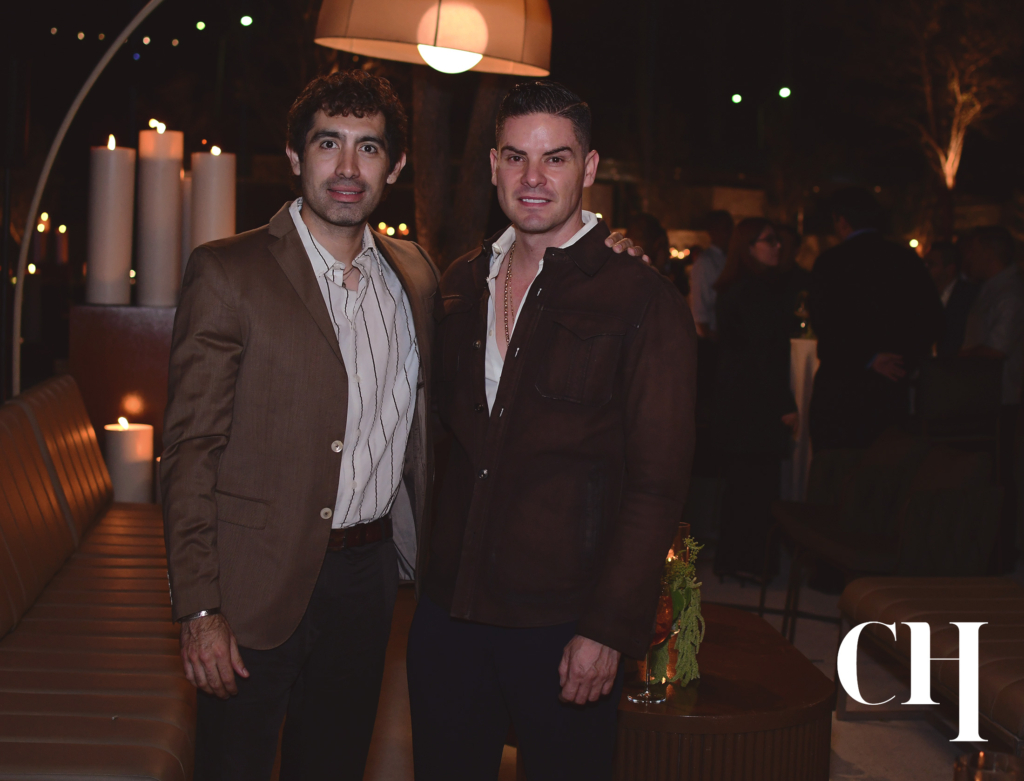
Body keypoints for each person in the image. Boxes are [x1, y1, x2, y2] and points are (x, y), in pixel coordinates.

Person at [407, 81, 697, 781]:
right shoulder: (461, 283)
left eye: (555, 158)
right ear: (493, 165)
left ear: (588, 167)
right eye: (516, 157)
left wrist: (608, 628)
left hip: (566, 624)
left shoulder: (641, 298)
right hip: (449, 614)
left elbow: (658, 483)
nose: (533, 178)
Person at [808, 187, 943, 451]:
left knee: (837, 466)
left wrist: (867, 358)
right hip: (890, 387)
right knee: (885, 464)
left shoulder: (831, 262)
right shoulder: (905, 259)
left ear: (841, 221)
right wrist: (903, 359)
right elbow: (932, 319)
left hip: (842, 387)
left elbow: (824, 323)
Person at [709, 218, 798, 579]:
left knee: (742, 484)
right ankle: (751, 564)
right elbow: (765, 354)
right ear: (748, 247)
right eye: (769, 240)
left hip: (737, 397)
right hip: (754, 401)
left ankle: (736, 562)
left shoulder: (736, 287)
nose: (777, 246)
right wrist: (785, 405)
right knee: (757, 485)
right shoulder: (755, 291)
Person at [960, 226, 1024, 569]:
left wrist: (957, 359)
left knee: (998, 475)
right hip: (983, 396)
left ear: (989, 252)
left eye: (972, 250)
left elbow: (997, 349)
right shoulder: (992, 288)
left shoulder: (1009, 292)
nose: (967, 258)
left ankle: (999, 553)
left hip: (999, 398)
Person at [923, 240, 978, 357]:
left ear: (950, 268)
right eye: (924, 263)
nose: (925, 268)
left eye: (931, 264)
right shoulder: (922, 293)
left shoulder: (968, 296)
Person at [689, 209, 734, 339]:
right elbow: (699, 306)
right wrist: (709, 335)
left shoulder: (728, 258)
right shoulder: (705, 262)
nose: (730, 234)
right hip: (713, 336)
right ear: (713, 232)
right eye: (725, 229)